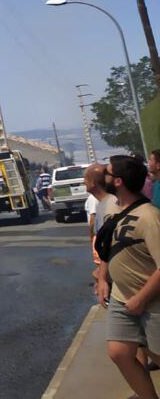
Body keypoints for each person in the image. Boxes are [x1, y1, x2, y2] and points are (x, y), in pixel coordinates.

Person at [95, 155, 160, 399]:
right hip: (122, 298)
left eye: (108, 173)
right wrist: (103, 279)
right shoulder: (114, 210)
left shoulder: (150, 217)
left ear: (119, 181)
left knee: (158, 355)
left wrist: (142, 299)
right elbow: (108, 251)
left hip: (152, 301)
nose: (104, 177)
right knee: (119, 353)